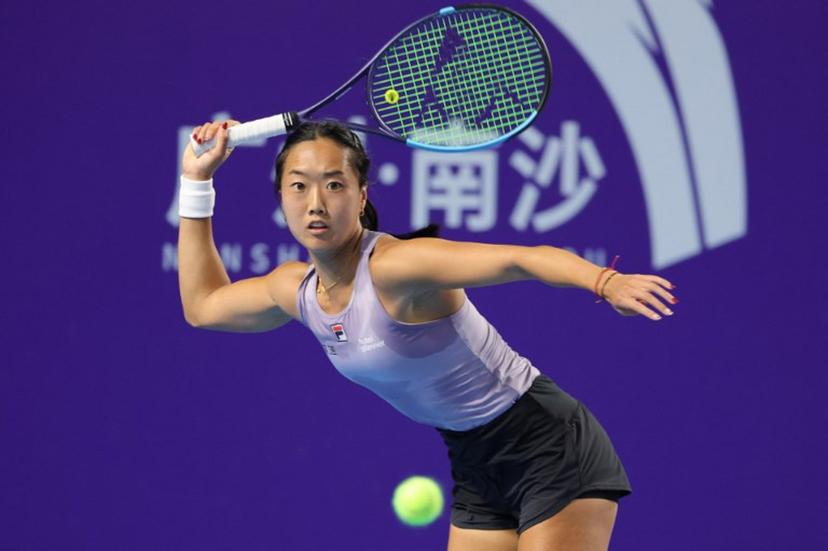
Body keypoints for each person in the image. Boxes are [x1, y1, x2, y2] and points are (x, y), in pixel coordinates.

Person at [178, 118, 677, 551]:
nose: (316, 203)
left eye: (334, 184)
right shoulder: (296, 289)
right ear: (281, 198)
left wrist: (606, 281)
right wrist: (196, 181)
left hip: (548, 444)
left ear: (361, 194)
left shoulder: (398, 268)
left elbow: (518, 258)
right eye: (299, 186)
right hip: (474, 460)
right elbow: (203, 307)